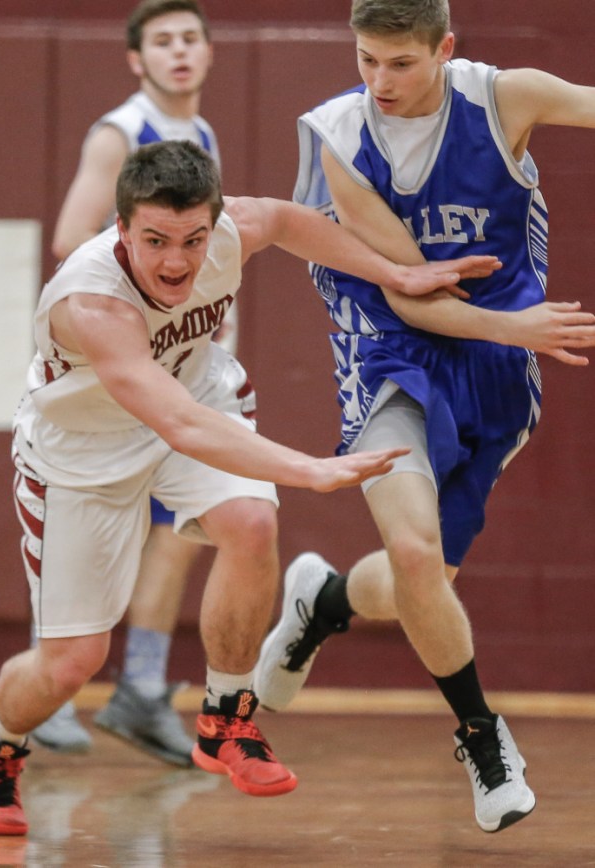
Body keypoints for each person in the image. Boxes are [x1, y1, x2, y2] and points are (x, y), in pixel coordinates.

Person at [0, 139, 500, 836]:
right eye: (154, 241)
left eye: (192, 239)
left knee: (249, 523)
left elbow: (289, 222)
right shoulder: (92, 304)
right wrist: (308, 468)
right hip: (85, 453)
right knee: (72, 662)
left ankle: (226, 717)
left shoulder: (230, 230)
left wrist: (398, 272)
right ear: (121, 229)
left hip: (195, 395)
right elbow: (177, 425)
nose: (177, 262)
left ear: (214, 225)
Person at [254, 0, 595, 836]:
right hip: (390, 354)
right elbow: (419, 297)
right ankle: (483, 737)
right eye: (367, 59)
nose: (380, 81)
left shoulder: (505, 99)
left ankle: (324, 602)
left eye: (400, 63)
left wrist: (512, 335)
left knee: (424, 581)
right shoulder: (341, 136)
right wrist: (517, 325)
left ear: (444, 48)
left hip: (496, 372)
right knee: (412, 550)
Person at [32, 0, 220, 764]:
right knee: (89, 526)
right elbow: (69, 237)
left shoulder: (200, 136)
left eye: (191, 38)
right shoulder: (121, 132)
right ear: (138, 60)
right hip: (116, 362)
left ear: (209, 53)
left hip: (186, 356)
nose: (180, 52)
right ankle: (49, 691)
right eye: (163, 42)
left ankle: (142, 687)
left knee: (185, 527)